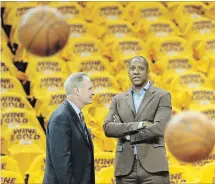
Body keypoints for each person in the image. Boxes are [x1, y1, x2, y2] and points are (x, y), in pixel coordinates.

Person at [104, 56, 172, 184]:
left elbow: (160, 128)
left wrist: (128, 136)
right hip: (125, 169)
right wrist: (139, 125)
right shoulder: (118, 99)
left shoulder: (162, 95)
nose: (136, 72)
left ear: (148, 72)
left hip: (154, 169)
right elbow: (108, 128)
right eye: (132, 68)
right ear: (128, 72)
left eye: (141, 68)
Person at [43, 72, 95, 184]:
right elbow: (62, 164)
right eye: (90, 88)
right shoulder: (61, 118)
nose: (93, 93)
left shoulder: (75, 114)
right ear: (77, 91)